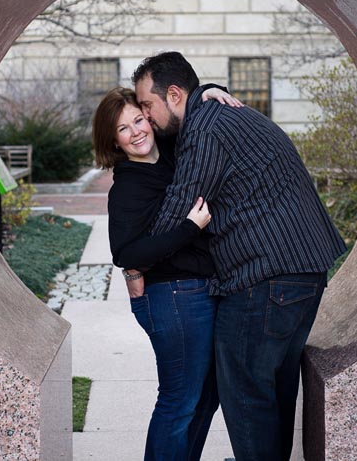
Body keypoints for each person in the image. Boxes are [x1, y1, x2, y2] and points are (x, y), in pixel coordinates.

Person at [132, 51, 348, 460]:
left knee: (244, 392)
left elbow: (182, 203)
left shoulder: (206, 129)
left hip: (264, 277)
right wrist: (213, 88)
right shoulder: (217, 115)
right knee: (272, 390)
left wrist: (137, 256)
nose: (146, 117)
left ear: (174, 94)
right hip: (302, 271)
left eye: (147, 105)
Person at [92, 86, 240, 461]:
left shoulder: (171, 156)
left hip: (197, 294)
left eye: (139, 119)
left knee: (205, 396)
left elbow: (182, 107)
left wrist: (206, 90)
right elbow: (126, 253)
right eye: (123, 129)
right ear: (114, 140)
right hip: (174, 300)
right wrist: (189, 228)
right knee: (180, 400)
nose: (136, 131)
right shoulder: (129, 185)